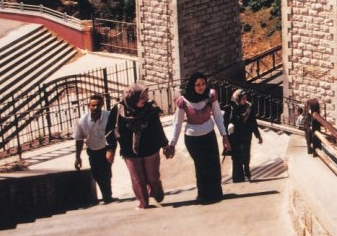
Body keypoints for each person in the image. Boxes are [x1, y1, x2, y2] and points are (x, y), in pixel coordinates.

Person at [166, 72, 230, 203]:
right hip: (193, 139)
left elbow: (217, 116)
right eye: (197, 85)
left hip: (209, 135)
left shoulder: (211, 95)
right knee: (201, 167)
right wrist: (172, 144)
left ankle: (216, 194)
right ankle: (204, 196)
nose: (201, 87)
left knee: (213, 165)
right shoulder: (183, 101)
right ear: (192, 85)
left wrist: (224, 136)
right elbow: (177, 123)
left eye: (203, 84)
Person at [105, 84, 170, 210]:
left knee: (152, 177)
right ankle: (143, 203)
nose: (145, 99)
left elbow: (158, 128)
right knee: (138, 179)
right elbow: (110, 130)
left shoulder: (150, 108)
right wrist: (110, 148)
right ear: (132, 97)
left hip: (150, 147)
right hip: (129, 150)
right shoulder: (119, 109)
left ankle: (155, 187)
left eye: (146, 96)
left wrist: (165, 144)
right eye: (142, 97)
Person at [73, 93, 113, 203]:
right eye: (93, 105)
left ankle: (107, 196)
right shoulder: (82, 121)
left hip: (106, 149)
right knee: (96, 173)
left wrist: (112, 149)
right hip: (92, 150)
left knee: (106, 172)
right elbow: (79, 139)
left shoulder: (109, 116)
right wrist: (77, 157)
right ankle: (106, 195)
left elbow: (116, 133)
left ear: (102, 105)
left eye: (98, 105)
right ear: (88, 106)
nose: (96, 108)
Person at [224, 89, 262, 182]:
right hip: (235, 136)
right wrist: (225, 138)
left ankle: (247, 173)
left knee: (246, 154)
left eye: (246, 98)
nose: (245, 100)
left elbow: (253, 122)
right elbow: (225, 123)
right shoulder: (230, 108)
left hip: (246, 135)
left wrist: (258, 135)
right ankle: (237, 178)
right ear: (237, 98)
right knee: (237, 156)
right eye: (243, 98)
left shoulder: (249, 107)